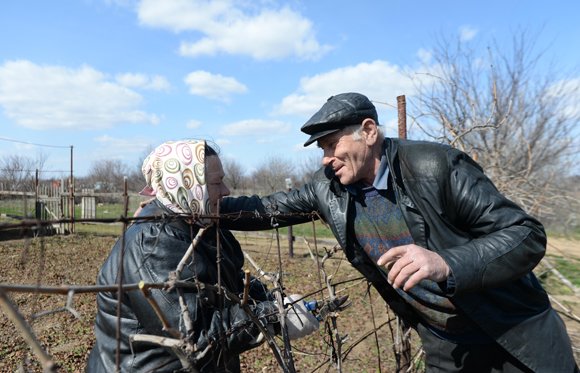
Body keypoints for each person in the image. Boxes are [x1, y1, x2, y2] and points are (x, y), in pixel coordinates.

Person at [221, 93, 579, 372]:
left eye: (332, 145)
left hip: (512, 328)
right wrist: (199, 207)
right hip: (444, 341)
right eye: (322, 149)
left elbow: (525, 234)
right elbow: (265, 208)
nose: (325, 158)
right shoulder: (328, 188)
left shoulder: (436, 167)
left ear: (369, 132)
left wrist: (446, 263)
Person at [86, 139, 318, 372]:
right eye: (217, 182)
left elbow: (232, 283)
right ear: (187, 185)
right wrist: (274, 316)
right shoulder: (153, 242)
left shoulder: (201, 223)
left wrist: (278, 302)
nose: (226, 191)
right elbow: (193, 338)